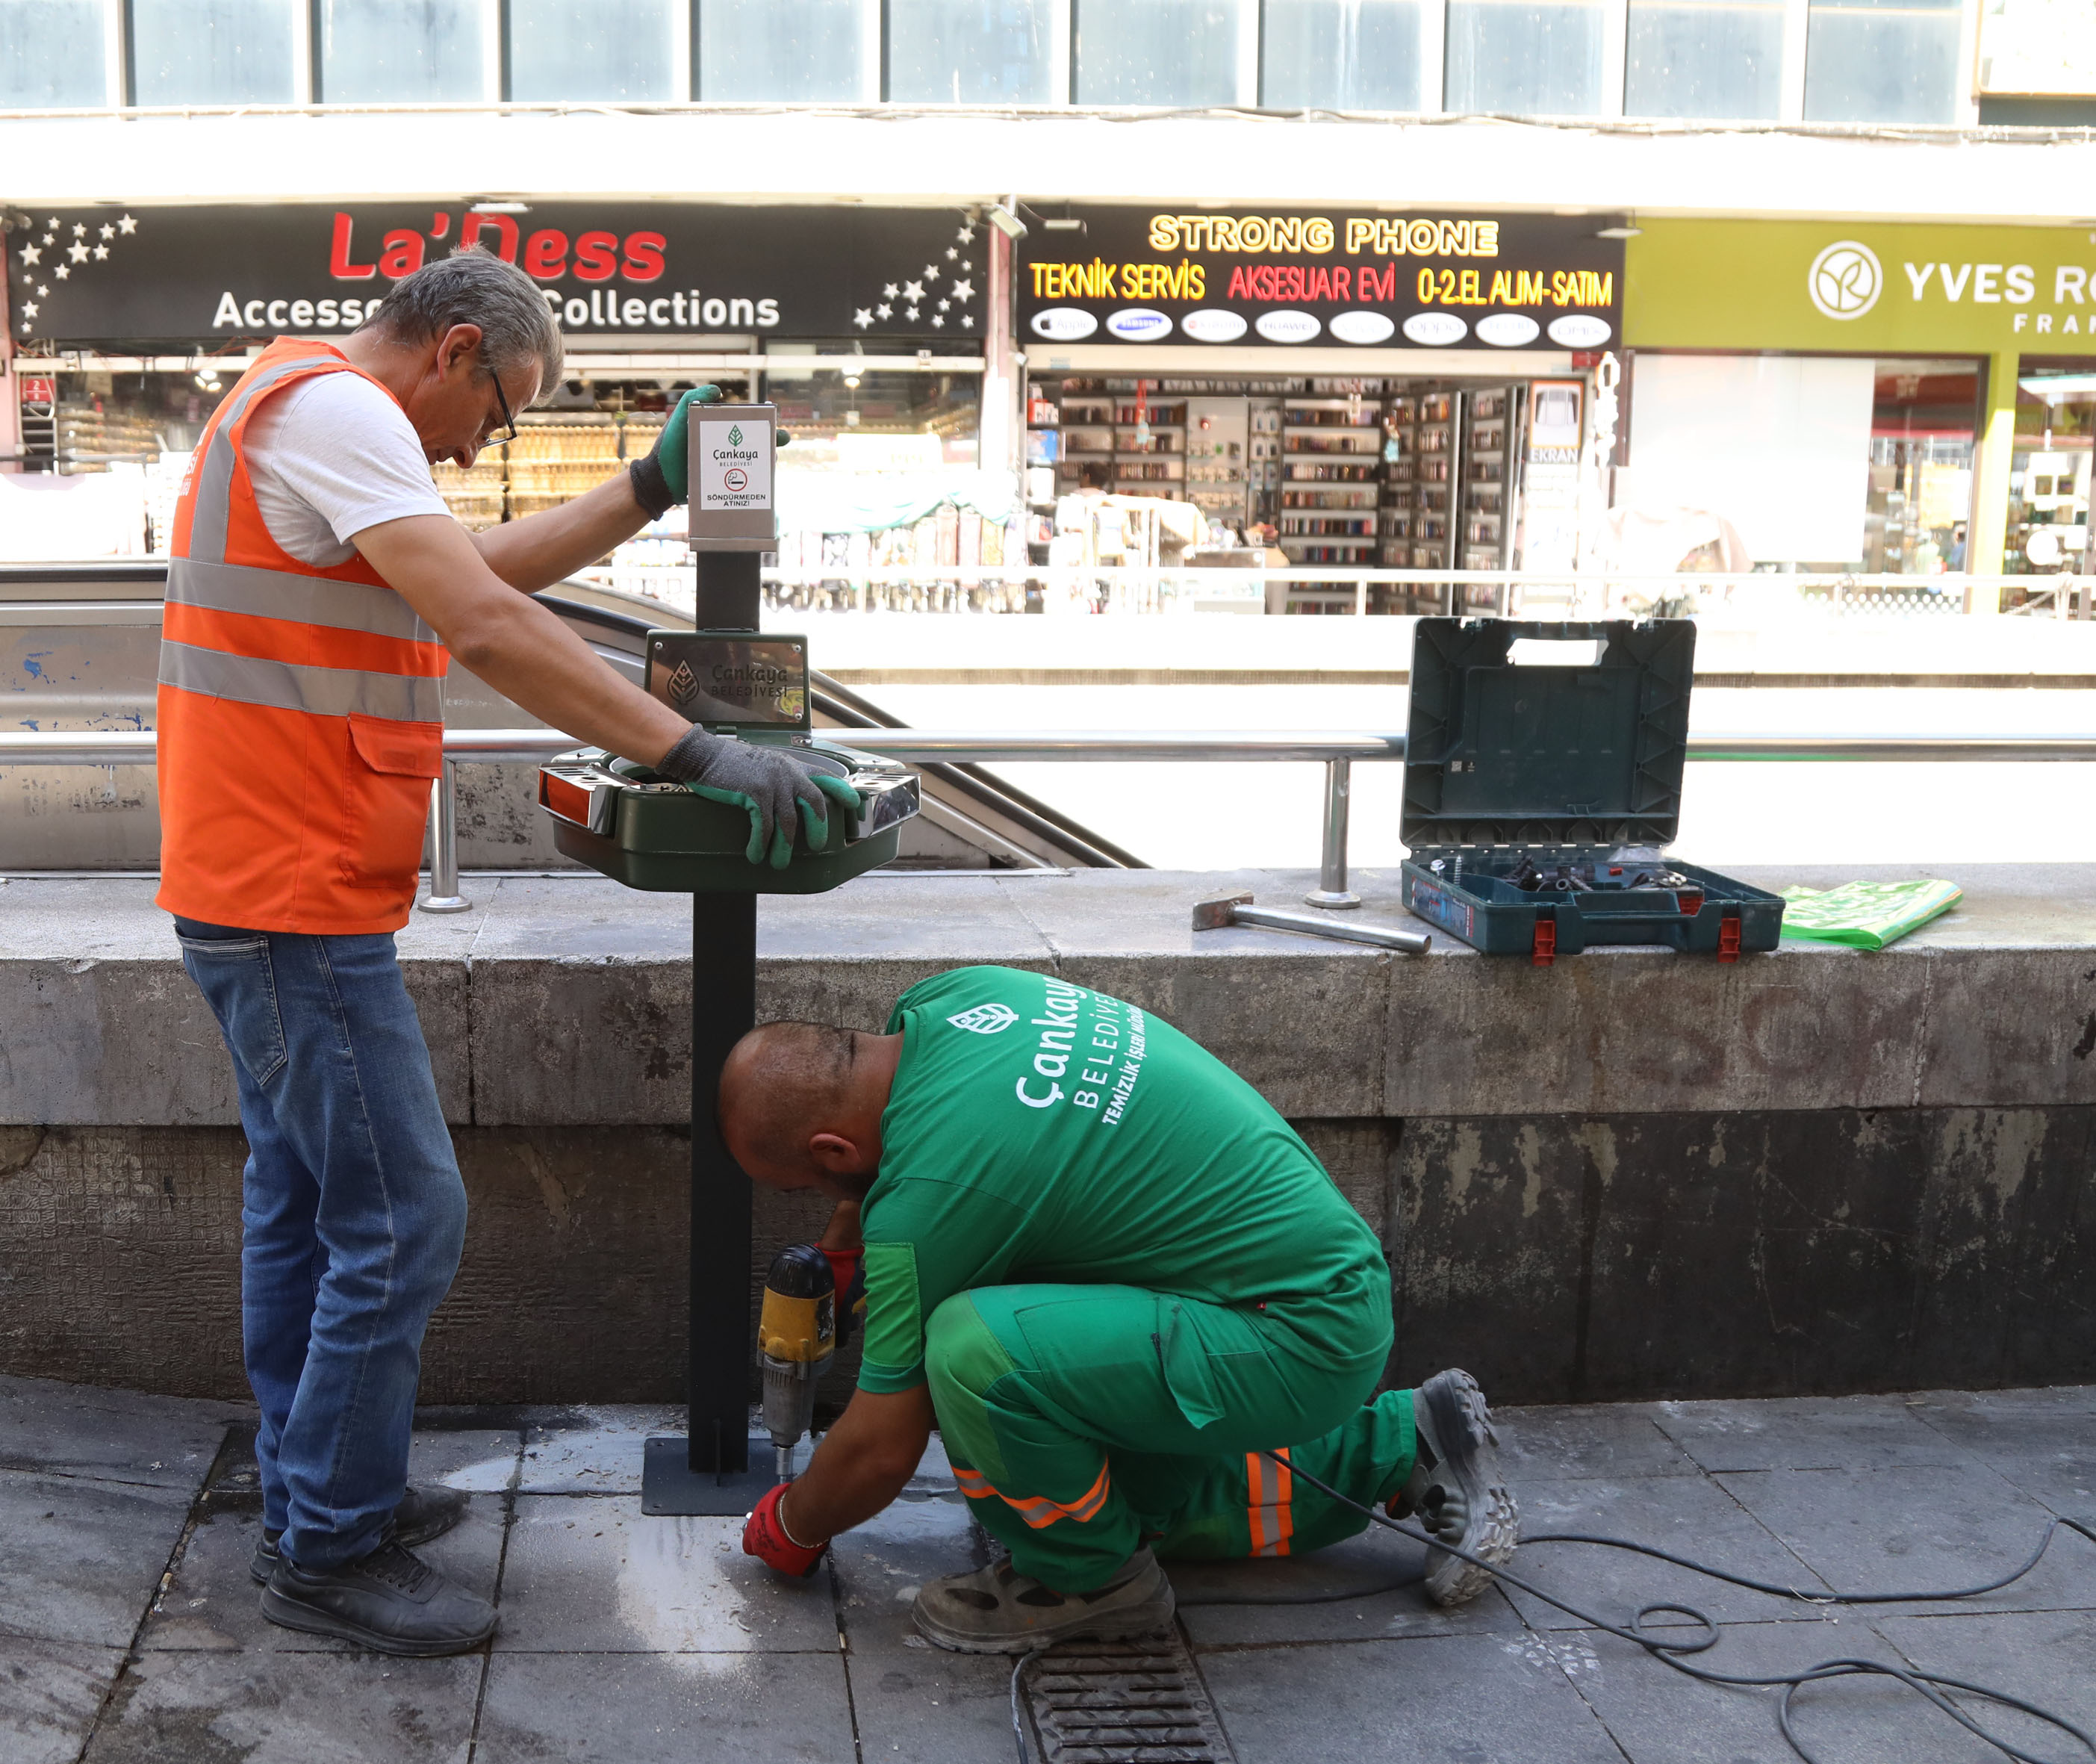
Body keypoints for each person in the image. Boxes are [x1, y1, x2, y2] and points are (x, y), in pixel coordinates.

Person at [158, 249, 856, 1657]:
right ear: (457, 350)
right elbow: (481, 622)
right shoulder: (344, 411)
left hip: (257, 882)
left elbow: (465, 571)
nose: (489, 444)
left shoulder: (292, 406)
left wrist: (647, 492)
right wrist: (695, 746)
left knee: (303, 1203)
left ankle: (316, 1489)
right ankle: (329, 1545)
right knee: (407, 1219)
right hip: (291, 900)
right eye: (505, 410)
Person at [717, 964, 1520, 1652]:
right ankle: (1404, 1439)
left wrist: (791, 1523)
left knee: (972, 1355)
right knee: (1118, 1495)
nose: (824, 1202)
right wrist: (846, 1250)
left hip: (1295, 1335)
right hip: (1302, 1280)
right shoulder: (955, 999)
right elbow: (922, 1167)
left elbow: (880, 1448)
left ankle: (1095, 1583)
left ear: (832, 1152)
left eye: (811, 1188)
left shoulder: (929, 1201)